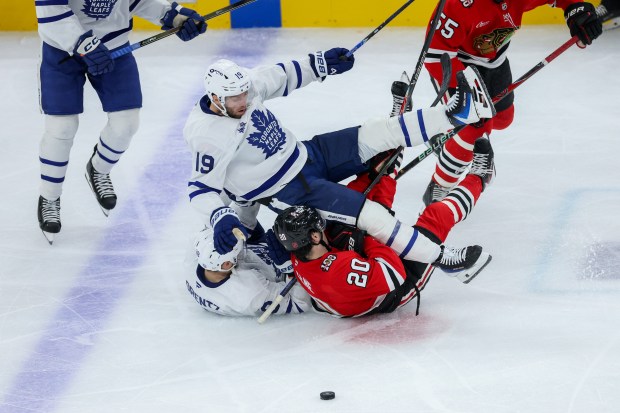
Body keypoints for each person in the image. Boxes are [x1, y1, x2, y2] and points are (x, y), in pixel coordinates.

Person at [183, 51, 495, 270]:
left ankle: (455, 113)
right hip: (288, 190)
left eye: (243, 94)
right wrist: (220, 215)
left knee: (377, 133)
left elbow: (280, 75)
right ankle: (440, 258)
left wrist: (320, 64)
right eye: (234, 98)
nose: (243, 101)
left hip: (306, 154)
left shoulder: (244, 88)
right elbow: (200, 187)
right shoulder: (207, 134)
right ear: (215, 98)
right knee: (373, 216)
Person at [35, 0, 207, 244]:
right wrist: (82, 43)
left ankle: (98, 169)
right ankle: (49, 197)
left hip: (114, 47)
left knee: (126, 123)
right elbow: (49, 8)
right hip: (61, 51)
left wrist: (173, 16)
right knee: (61, 128)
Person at [268, 136, 496, 318]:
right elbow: (394, 272)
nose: (321, 224)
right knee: (435, 216)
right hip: (393, 289)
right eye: (318, 226)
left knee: (361, 202)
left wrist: (372, 176)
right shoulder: (338, 271)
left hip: (351, 267)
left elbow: (344, 207)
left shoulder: (300, 249)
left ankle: (386, 163)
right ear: (315, 236)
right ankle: (480, 177)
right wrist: (370, 232)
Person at [416, 0, 602, 206]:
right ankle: (439, 185)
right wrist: (469, 91)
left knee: (503, 118)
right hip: (458, 64)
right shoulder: (458, 5)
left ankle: (442, 135)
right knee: (474, 125)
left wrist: (575, 10)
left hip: (495, 60)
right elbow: (434, 57)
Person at [185, 226, 311, 317]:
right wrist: (290, 269)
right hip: (285, 265)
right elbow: (299, 304)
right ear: (227, 263)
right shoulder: (249, 293)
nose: (240, 250)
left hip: (259, 255)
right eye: (237, 250)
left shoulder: (197, 256)